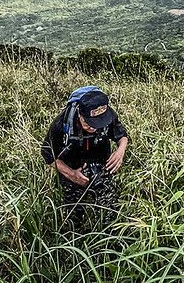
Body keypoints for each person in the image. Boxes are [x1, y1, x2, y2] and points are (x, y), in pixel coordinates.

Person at [41, 86, 129, 228]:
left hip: (101, 165)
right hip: (72, 167)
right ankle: (74, 238)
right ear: (79, 114)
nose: (94, 128)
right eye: (88, 124)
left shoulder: (108, 115)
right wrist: (71, 174)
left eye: (99, 124)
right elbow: (47, 155)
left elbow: (122, 135)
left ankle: (107, 236)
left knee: (108, 208)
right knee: (73, 214)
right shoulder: (61, 124)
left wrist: (120, 151)